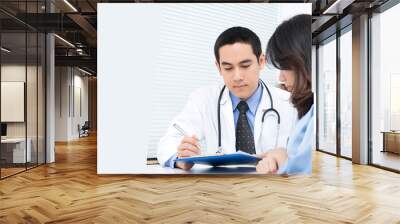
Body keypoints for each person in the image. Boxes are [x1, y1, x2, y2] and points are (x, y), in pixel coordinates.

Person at [157, 26, 297, 170]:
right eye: (228, 68)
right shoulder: (203, 99)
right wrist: (181, 159)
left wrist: (283, 160)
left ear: (261, 61)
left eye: (245, 65)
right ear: (218, 68)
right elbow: (167, 143)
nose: (237, 77)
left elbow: (305, 156)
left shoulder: (290, 103)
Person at [256, 14, 314, 175]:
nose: (281, 78)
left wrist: (281, 157)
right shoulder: (306, 110)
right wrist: (278, 156)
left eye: (285, 67)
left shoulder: (316, 114)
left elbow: (303, 173)